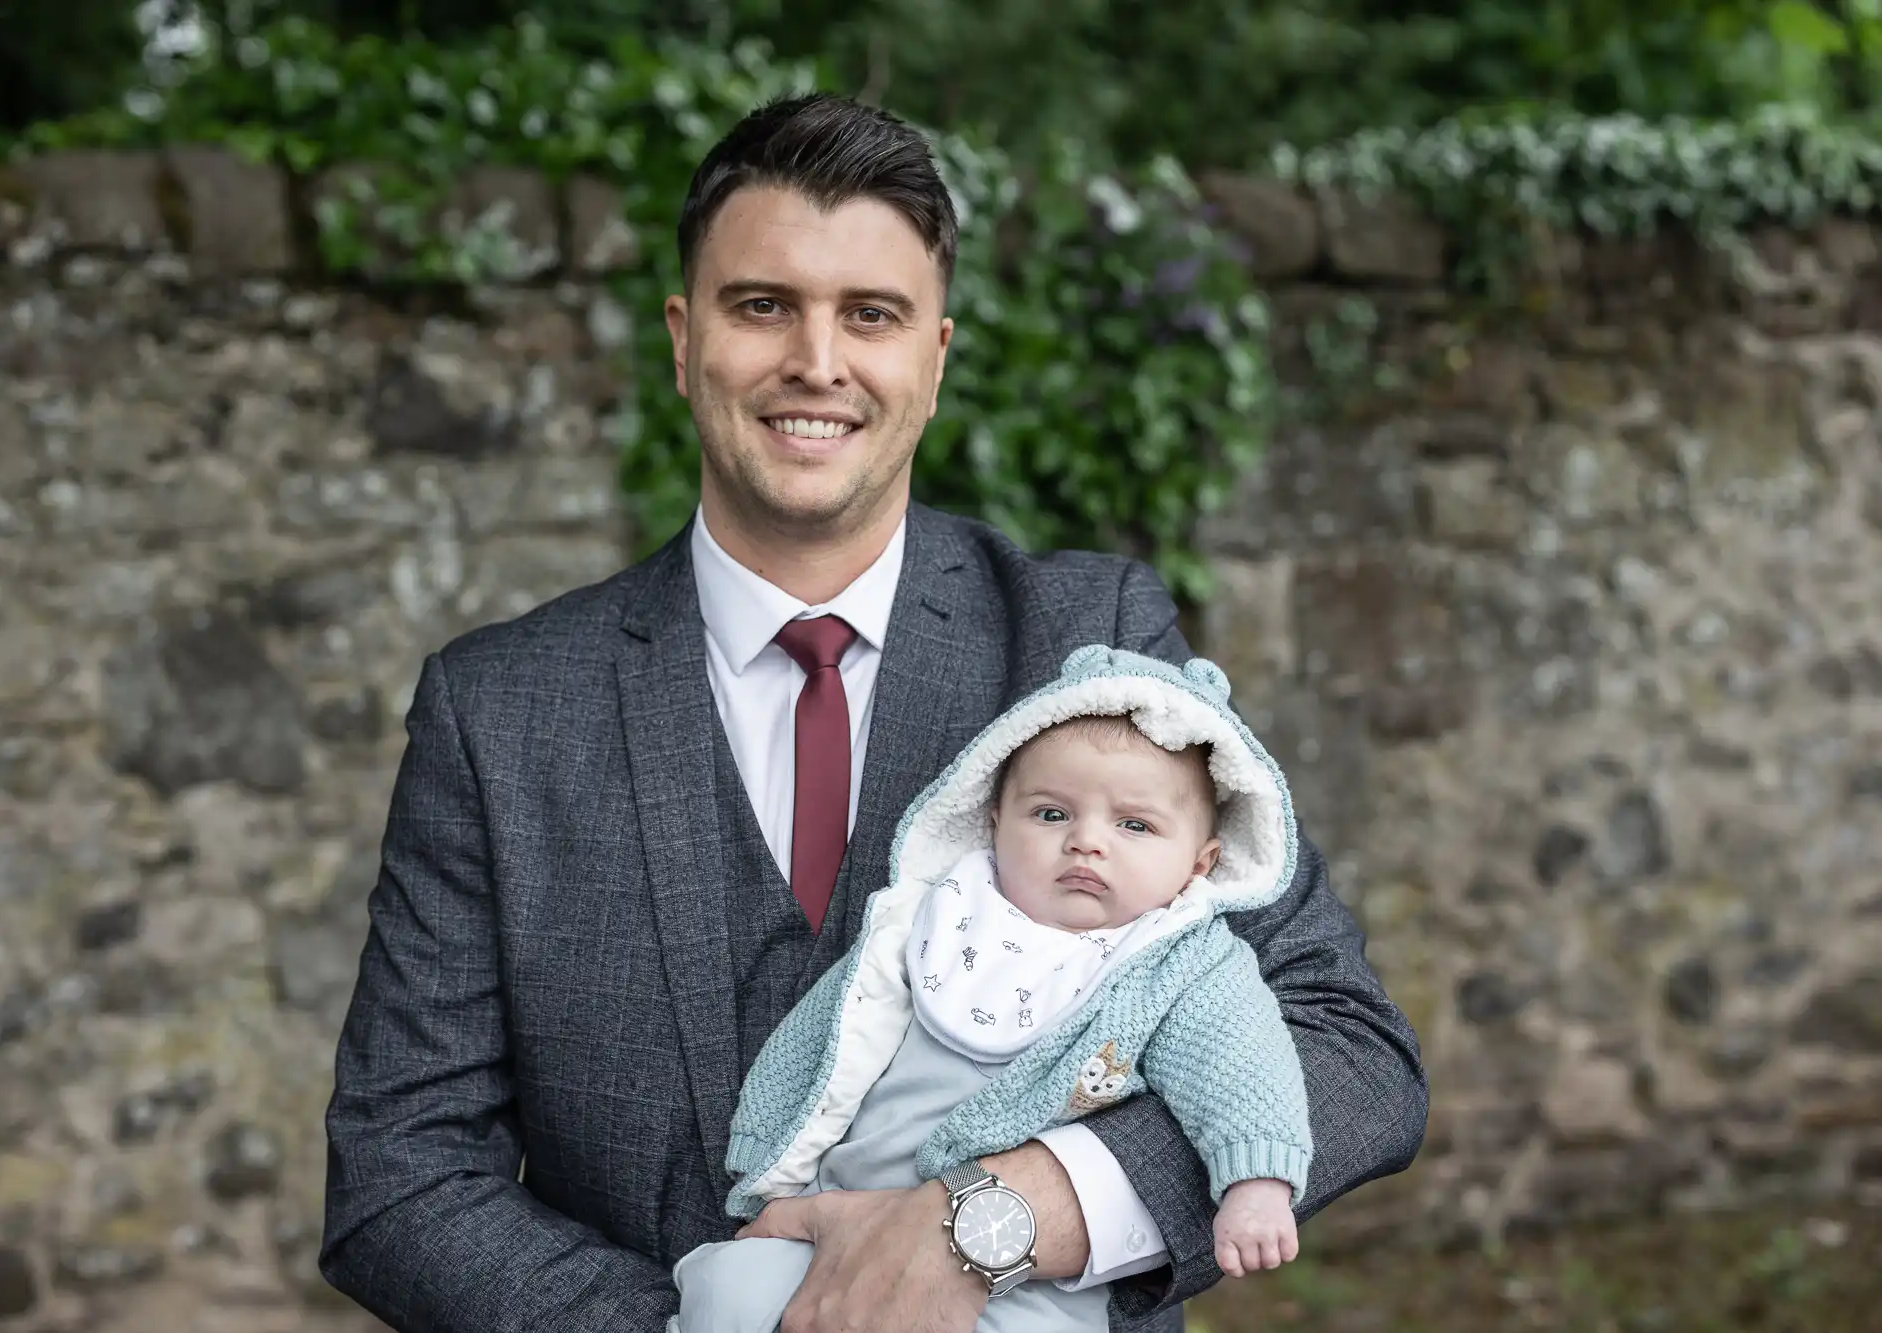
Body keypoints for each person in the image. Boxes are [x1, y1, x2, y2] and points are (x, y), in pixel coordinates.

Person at [319, 91, 1427, 1333]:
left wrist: (1002, 1218)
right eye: (761, 306)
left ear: (935, 357)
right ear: (683, 340)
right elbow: (399, 1171)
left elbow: (1346, 1048)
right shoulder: (503, 709)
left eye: (871, 315)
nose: (817, 361)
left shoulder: (1085, 646)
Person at [674, 645, 1313, 1333]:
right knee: (728, 1284)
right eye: (1050, 814)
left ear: (1201, 861)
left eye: (1135, 824)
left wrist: (1257, 1182)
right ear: (993, 819)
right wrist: (773, 1148)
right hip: (835, 1216)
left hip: (1025, 1281)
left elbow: (1246, 1070)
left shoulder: (1181, 964)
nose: (1087, 841)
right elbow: (833, 1031)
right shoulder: (936, 914)